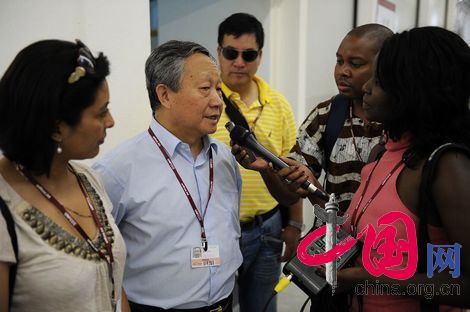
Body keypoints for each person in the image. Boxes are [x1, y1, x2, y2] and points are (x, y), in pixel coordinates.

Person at [290, 26, 470, 311]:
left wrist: (371, 277)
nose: (366, 87)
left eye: (381, 79)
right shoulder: (382, 153)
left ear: (413, 89)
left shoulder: (445, 168)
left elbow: (457, 283)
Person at [93, 40, 243, 312]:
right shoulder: (117, 170)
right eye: (205, 89)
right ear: (165, 95)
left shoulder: (224, 158)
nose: (217, 101)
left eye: (218, 89)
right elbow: (99, 259)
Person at [0, 39, 128, 312]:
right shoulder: (5, 206)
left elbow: (113, 282)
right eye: (101, 112)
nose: (111, 121)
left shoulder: (88, 179)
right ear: (56, 128)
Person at [211, 12, 300, 312]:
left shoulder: (279, 104)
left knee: (262, 308)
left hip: (268, 230)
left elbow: (293, 169)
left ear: (260, 56)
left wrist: (296, 225)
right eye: (230, 53)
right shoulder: (205, 103)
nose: (239, 62)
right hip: (219, 232)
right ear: (218, 52)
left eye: (248, 54)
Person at [287, 24, 392, 213]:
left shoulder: (403, 123)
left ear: (384, 66)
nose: (343, 71)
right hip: (335, 237)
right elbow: (289, 193)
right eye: (339, 61)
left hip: (388, 239)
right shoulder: (326, 115)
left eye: (356, 64)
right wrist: (269, 171)